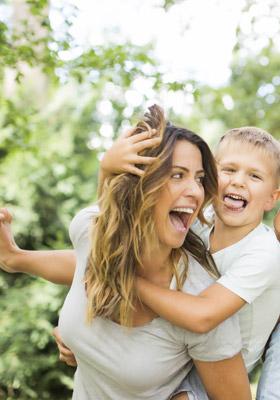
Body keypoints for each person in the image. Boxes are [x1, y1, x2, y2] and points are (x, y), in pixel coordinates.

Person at [0, 105, 251, 400]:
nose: (196, 192)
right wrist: (14, 258)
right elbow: (88, 258)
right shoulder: (89, 231)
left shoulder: (198, 300)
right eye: (177, 175)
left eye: (198, 178)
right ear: (139, 186)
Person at [114, 125, 280, 397]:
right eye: (228, 170)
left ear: (271, 199)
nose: (238, 181)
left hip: (219, 368)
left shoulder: (264, 252)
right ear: (210, 177)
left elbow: (202, 316)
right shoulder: (197, 224)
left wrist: (128, 282)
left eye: (254, 176)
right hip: (177, 347)